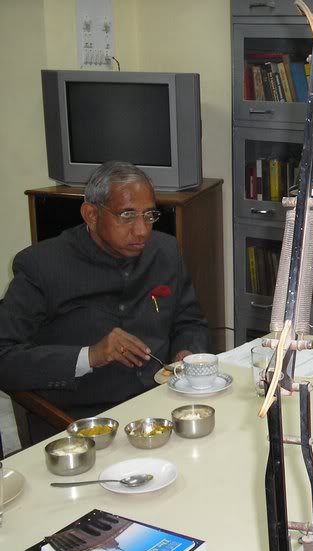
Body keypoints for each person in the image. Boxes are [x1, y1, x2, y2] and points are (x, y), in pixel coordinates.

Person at [0, 161, 208, 440]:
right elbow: (5, 358)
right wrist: (90, 356)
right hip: (80, 426)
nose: (142, 231)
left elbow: (190, 321)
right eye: (127, 215)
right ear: (91, 215)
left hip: (161, 409)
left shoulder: (165, 251)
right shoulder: (41, 266)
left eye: (149, 215)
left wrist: (186, 353)